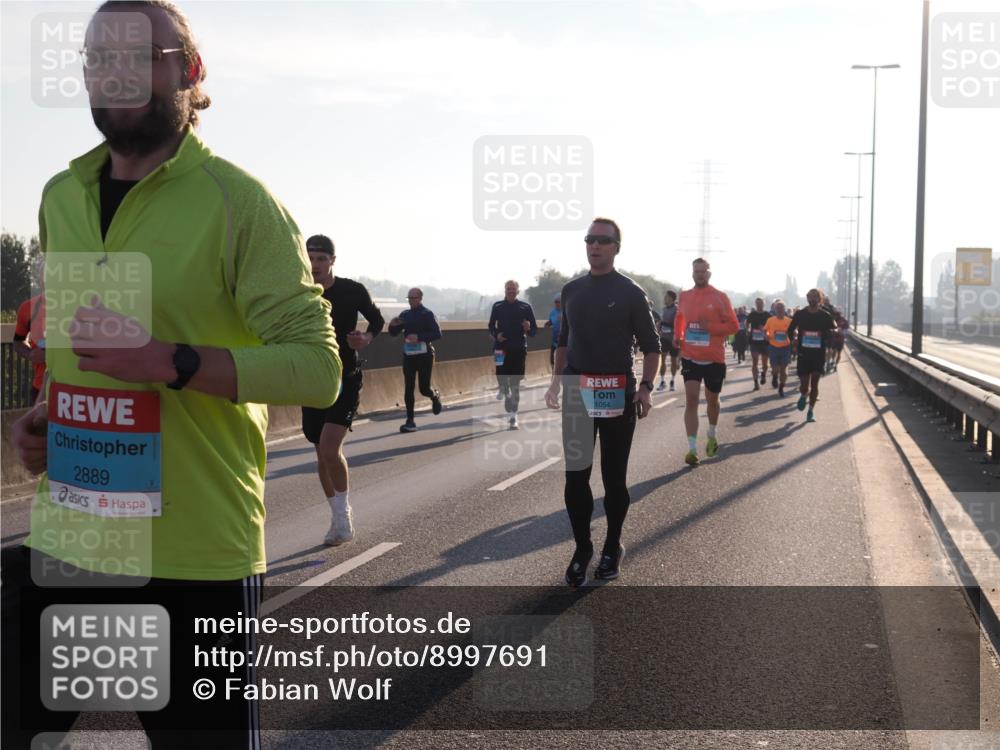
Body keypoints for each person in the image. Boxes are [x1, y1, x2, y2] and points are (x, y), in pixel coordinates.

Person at [4, 3, 341, 748]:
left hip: (192, 559)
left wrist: (173, 362)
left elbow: (319, 369)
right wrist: (48, 416)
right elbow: (75, 346)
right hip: (69, 546)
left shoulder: (240, 202)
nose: (115, 73)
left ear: (188, 70)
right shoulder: (62, 196)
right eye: (98, 59)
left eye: (138, 55)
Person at [545, 218, 658, 586]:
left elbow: (653, 346)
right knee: (575, 477)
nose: (594, 246)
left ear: (616, 247)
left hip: (616, 391)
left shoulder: (630, 292)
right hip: (578, 389)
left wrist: (645, 387)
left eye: (602, 240)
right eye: (590, 239)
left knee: (613, 479)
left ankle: (612, 545)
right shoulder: (573, 289)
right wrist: (555, 383)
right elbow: (564, 339)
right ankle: (582, 548)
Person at [301, 234, 384, 546]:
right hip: (311, 381)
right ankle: (336, 517)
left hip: (346, 377)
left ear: (332, 261)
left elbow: (377, 319)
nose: (315, 264)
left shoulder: (352, 290)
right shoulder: (300, 293)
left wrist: (366, 338)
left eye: (321, 258)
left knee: (329, 448)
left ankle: (344, 514)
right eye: (309, 257)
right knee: (320, 456)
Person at [674, 258, 739, 466]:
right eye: (696, 271)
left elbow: (734, 326)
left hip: (714, 358)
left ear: (709, 274)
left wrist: (710, 327)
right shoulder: (684, 296)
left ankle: (711, 434)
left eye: (703, 271)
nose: (699, 274)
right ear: (692, 273)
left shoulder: (720, 297)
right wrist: (678, 335)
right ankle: (692, 449)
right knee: (691, 399)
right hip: (690, 356)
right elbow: (680, 318)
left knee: (712, 400)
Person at [388, 288, 442, 433]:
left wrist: (418, 337)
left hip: (425, 356)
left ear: (420, 298)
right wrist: (392, 325)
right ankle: (410, 421)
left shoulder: (428, 314)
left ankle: (434, 395)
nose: (411, 300)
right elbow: (394, 333)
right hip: (409, 356)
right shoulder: (405, 315)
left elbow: (437, 334)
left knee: (424, 388)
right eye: (409, 298)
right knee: (409, 386)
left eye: (414, 297)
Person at [489, 280, 537, 430]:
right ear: (505, 290)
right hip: (500, 349)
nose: (510, 291)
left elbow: (534, 331)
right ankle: (504, 390)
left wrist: (528, 328)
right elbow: (490, 326)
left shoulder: (525, 307)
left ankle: (513, 417)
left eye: (513, 289)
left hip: (518, 349)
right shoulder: (497, 306)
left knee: (515, 383)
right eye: (508, 288)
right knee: (501, 377)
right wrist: (497, 335)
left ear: (518, 291)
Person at [788, 289, 837, 422]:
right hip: (804, 353)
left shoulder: (825, 315)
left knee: (815, 383)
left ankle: (810, 411)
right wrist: (793, 340)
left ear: (820, 299)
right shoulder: (800, 314)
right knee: (804, 384)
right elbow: (791, 329)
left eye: (816, 297)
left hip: (818, 353)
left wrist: (830, 337)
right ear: (807, 298)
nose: (812, 299)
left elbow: (834, 329)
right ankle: (804, 395)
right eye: (810, 296)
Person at [12, 293, 46, 404]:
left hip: (72, 389)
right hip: (39, 387)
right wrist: (30, 353)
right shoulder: (28, 307)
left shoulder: (77, 305)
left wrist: (48, 356)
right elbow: (18, 342)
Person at [764, 300, 793, 396]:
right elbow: (765, 331)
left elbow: (794, 332)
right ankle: (775, 376)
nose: (780, 310)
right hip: (773, 346)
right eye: (778, 308)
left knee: (784, 369)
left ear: (784, 309)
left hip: (785, 347)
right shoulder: (770, 320)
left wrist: (795, 334)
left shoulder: (789, 321)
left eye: (781, 308)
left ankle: (781, 387)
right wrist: (766, 336)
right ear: (775, 309)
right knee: (775, 368)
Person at [746, 297, 771, 391]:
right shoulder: (752, 314)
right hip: (754, 341)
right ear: (755, 304)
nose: (759, 305)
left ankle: (764, 374)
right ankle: (756, 383)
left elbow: (771, 327)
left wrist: (764, 329)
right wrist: (748, 331)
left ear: (764, 304)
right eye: (757, 303)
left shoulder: (767, 315)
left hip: (765, 342)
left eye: (761, 303)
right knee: (755, 362)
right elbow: (747, 323)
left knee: (765, 363)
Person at [657, 290, 680, 391]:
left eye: (666, 297)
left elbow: (677, 324)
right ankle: (662, 382)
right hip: (664, 338)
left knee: (673, 361)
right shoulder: (664, 309)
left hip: (674, 339)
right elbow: (663, 322)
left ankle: (672, 381)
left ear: (671, 298)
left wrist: (664, 324)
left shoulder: (677, 309)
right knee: (662, 360)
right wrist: (660, 325)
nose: (664, 299)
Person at [544, 296, 561, 368]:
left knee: (562, 361)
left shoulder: (567, 311)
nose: (557, 303)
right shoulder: (552, 312)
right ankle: (553, 375)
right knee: (552, 360)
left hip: (565, 341)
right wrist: (547, 324)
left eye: (559, 302)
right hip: (554, 340)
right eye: (555, 302)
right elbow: (551, 322)